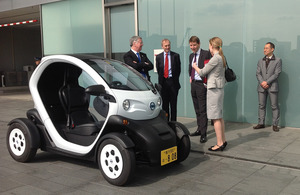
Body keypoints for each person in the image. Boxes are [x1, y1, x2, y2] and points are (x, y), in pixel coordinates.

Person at [192, 37, 227, 151]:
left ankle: (219, 143)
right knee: (219, 117)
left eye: (209, 45)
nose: (208, 48)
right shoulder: (221, 57)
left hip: (214, 90)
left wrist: (195, 66)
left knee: (215, 117)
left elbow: (202, 72)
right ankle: (223, 140)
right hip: (219, 89)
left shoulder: (215, 58)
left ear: (212, 45)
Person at [253, 42, 282, 132]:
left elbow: (277, 73)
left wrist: (267, 82)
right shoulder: (260, 61)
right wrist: (262, 82)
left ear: (272, 49)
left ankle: (275, 125)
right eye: (264, 48)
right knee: (261, 105)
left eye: (266, 48)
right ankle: (261, 123)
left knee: (274, 106)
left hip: (272, 86)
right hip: (261, 87)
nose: (264, 50)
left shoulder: (278, 60)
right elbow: (258, 73)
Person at [188, 36, 211, 143]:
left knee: (202, 110)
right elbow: (190, 68)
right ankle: (199, 128)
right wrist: (190, 77)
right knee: (196, 108)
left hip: (202, 85)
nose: (193, 47)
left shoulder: (206, 54)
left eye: (194, 45)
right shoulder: (191, 56)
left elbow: (208, 69)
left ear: (199, 44)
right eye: (191, 45)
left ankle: (203, 133)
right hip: (194, 84)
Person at [156, 39, 181, 121]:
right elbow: (159, 70)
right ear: (162, 46)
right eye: (165, 46)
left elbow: (178, 70)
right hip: (164, 83)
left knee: (173, 105)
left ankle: (174, 123)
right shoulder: (159, 57)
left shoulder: (175, 56)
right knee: (165, 106)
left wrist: (175, 81)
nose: (167, 47)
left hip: (173, 83)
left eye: (168, 45)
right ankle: (166, 123)